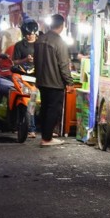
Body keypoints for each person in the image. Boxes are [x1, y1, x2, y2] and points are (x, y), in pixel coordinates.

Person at [33, 14, 74, 146]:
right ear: (62, 26)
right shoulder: (59, 42)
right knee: (53, 110)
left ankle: (45, 136)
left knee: (45, 108)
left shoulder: (40, 40)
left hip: (42, 81)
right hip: (55, 82)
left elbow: (35, 61)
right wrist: (69, 82)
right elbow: (63, 65)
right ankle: (47, 138)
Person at [14, 19, 41, 138]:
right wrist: (25, 60)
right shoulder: (19, 45)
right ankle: (28, 127)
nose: (30, 36)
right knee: (26, 102)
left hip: (38, 77)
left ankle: (32, 128)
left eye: (32, 34)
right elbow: (14, 61)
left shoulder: (41, 44)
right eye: (28, 34)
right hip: (23, 77)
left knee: (33, 102)